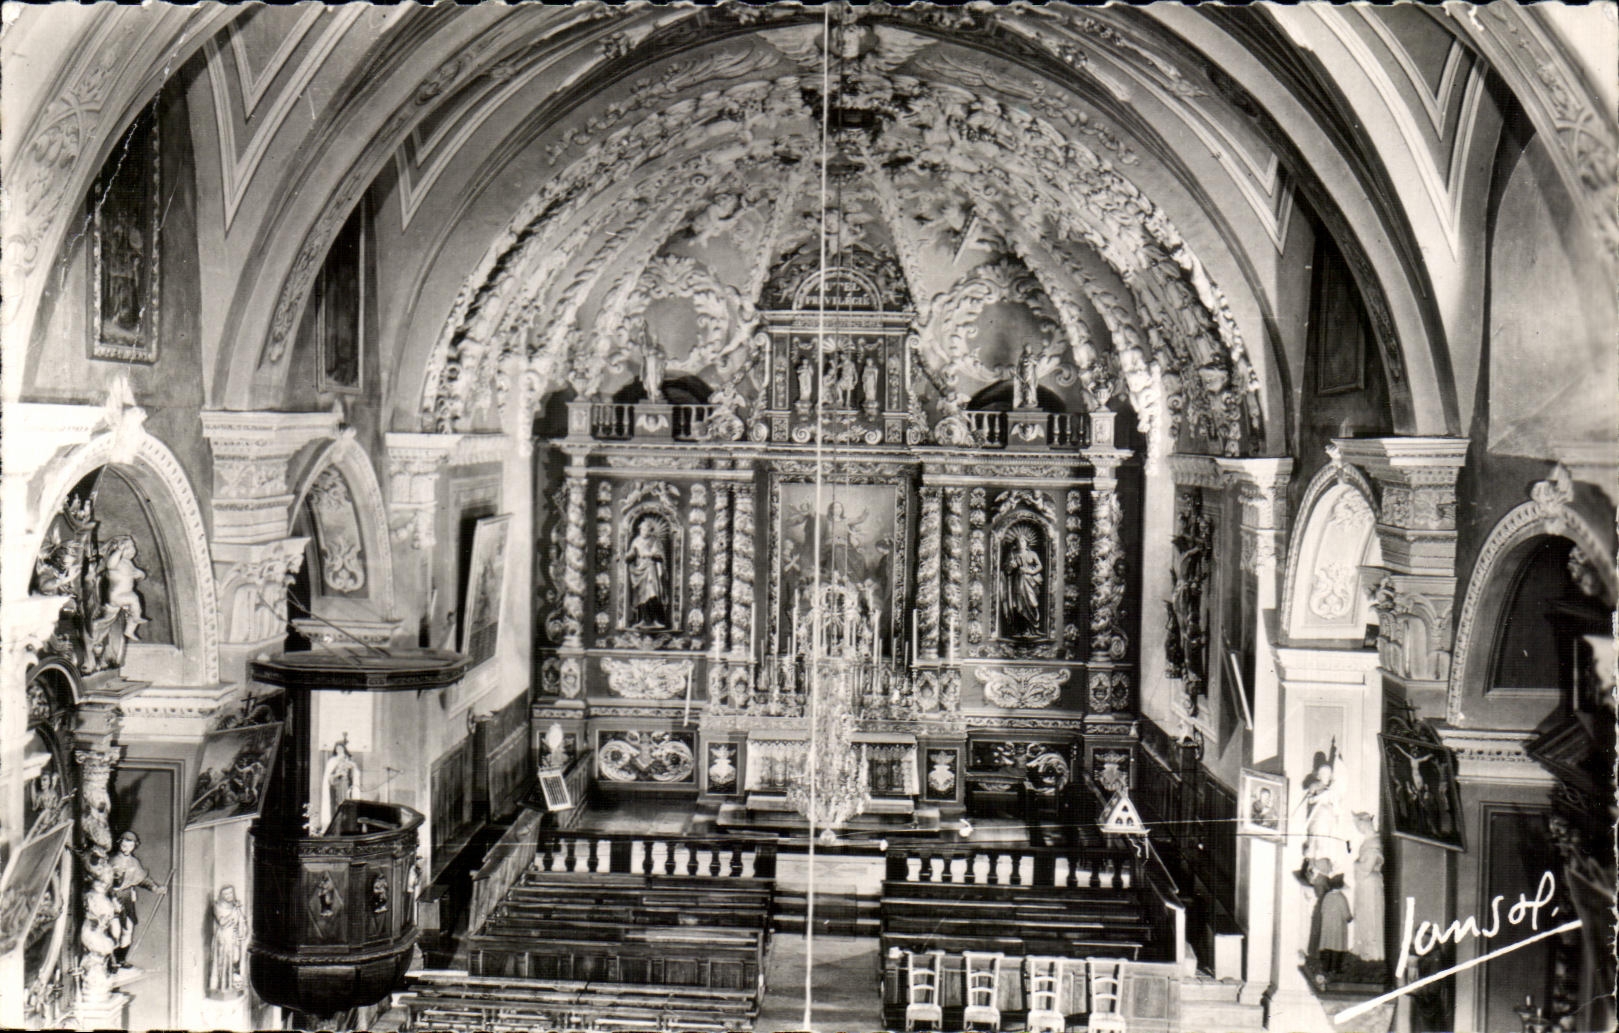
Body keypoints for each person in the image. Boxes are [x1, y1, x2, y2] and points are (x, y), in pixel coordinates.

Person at [108, 829, 165, 967]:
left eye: (130, 845)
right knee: (114, 930)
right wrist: (111, 898)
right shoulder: (112, 861)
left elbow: (143, 879)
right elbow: (104, 882)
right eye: (124, 845)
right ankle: (111, 961)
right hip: (113, 897)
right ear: (120, 844)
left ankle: (121, 959)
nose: (127, 848)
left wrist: (155, 888)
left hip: (128, 898)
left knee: (128, 928)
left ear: (134, 846)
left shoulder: (134, 862)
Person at [625, 516, 670, 629]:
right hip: (638, 570)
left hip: (651, 569)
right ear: (640, 529)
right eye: (642, 529)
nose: (644, 531)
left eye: (647, 529)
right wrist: (626, 556)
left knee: (653, 592)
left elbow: (660, 555)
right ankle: (642, 619)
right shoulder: (636, 541)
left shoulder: (655, 540)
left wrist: (650, 554)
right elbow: (632, 553)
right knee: (640, 594)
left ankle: (656, 619)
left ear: (650, 530)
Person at [1351, 812, 1385, 962]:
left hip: (1370, 884)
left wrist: (1356, 864)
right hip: (1365, 884)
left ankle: (1371, 953)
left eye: (1359, 826)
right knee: (1363, 915)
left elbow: (1367, 866)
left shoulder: (1374, 843)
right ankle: (1363, 949)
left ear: (1364, 824)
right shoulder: (1369, 841)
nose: (1359, 829)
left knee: (1370, 917)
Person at [999, 527, 1044, 638]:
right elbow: (1005, 569)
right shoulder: (1012, 554)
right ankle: (1022, 630)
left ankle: (1034, 628)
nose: (1021, 543)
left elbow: (1040, 566)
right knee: (1019, 605)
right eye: (1018, 541)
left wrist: (1030, 571)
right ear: (1015, 543)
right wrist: (1011, 565)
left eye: (1023, 541)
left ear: (1027, 543)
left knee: (1032, 603)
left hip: (1030, 582)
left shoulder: (1032, 554)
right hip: (1018, 583)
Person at [208, 885, 248, 997]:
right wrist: (233, 913)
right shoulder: (217, 906)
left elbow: (241, 921)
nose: (229, 896)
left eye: (231, 893)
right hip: (224, 938)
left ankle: (231, 986)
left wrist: (241, 928)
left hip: (233, 938)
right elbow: (222, 922)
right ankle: (221, 988)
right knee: (222, 963)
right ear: (222, 895)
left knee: (234, 961)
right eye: (226, 894)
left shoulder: (235, 907)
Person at [322, 738, 360, 833]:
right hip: (336, 786)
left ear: (344, 749)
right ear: (335, 750)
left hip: (346, 784)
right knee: (338, 805)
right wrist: (337, 775)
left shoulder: (348, 760)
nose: (339, 750)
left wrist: (352, 768)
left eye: (341, 748)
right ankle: (337, 827)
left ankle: (347, 826)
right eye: (337, 748)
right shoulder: (332, 761)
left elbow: (355, 772)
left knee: (347, 804)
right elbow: (329, 777)